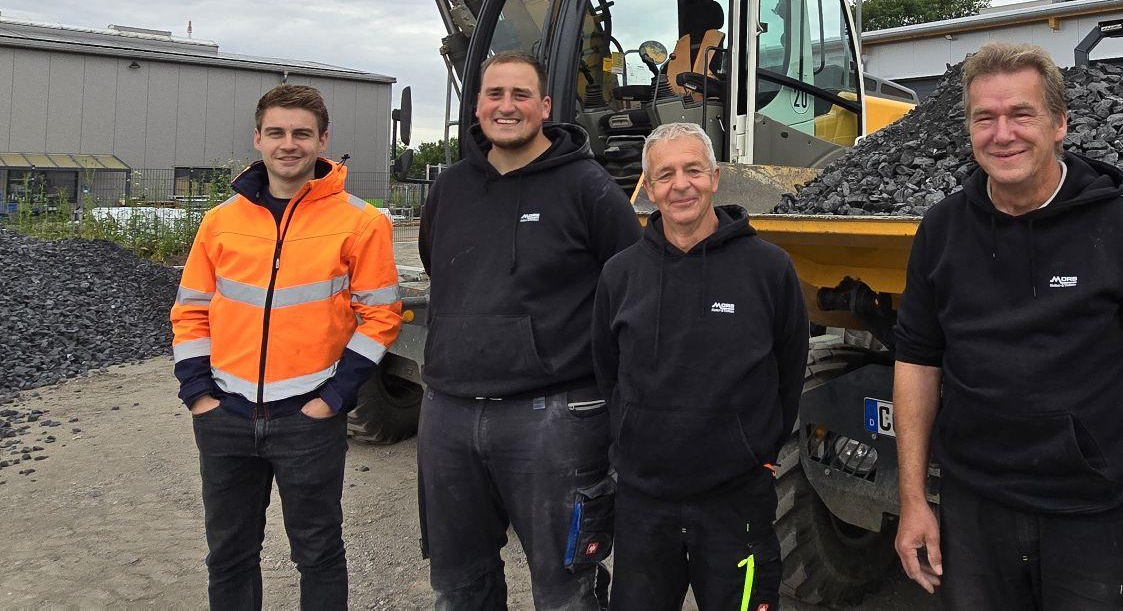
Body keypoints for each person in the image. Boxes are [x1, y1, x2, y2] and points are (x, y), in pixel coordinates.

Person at [890, 42, 1123, 610]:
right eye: (984, 118)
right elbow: (917, 364)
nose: (1002, 134)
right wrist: (914, 499)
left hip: (1099, 514)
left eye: (1021, 114)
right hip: (974, 509)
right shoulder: (941, 232)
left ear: (1060, 124)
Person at [418, 50, 644, 610]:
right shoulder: (449, 189)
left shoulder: (588, 188)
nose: (507, 106)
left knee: (565, 589)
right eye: (495, 94)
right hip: (448, 415)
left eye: (521, 95)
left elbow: (631, 293)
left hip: (555, 417)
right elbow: (439, 269)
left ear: (545, 106)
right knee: (458, 584)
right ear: (477, 106)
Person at [170, 83, 403, 610]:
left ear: (323, 141)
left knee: (317, 553)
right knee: (228, 555)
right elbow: (191, 310)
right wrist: (199, 395)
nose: (288, 144)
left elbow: (381, 316)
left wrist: (334, 398)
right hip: (226, 414)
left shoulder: (361, 222)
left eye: (302, 133)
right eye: (276, 132)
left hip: (308, 418)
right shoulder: (221, 222)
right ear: (257, 139)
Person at [592, 122, 810, 611]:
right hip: (644, 504)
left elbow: (790, 366)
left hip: (736, 503)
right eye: (665, 174)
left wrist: (761, 450)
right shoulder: (620, 274)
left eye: (693, 169)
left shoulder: (769, 268)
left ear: (715, 177)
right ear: (647, 189)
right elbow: (608, 373)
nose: (681, 184)